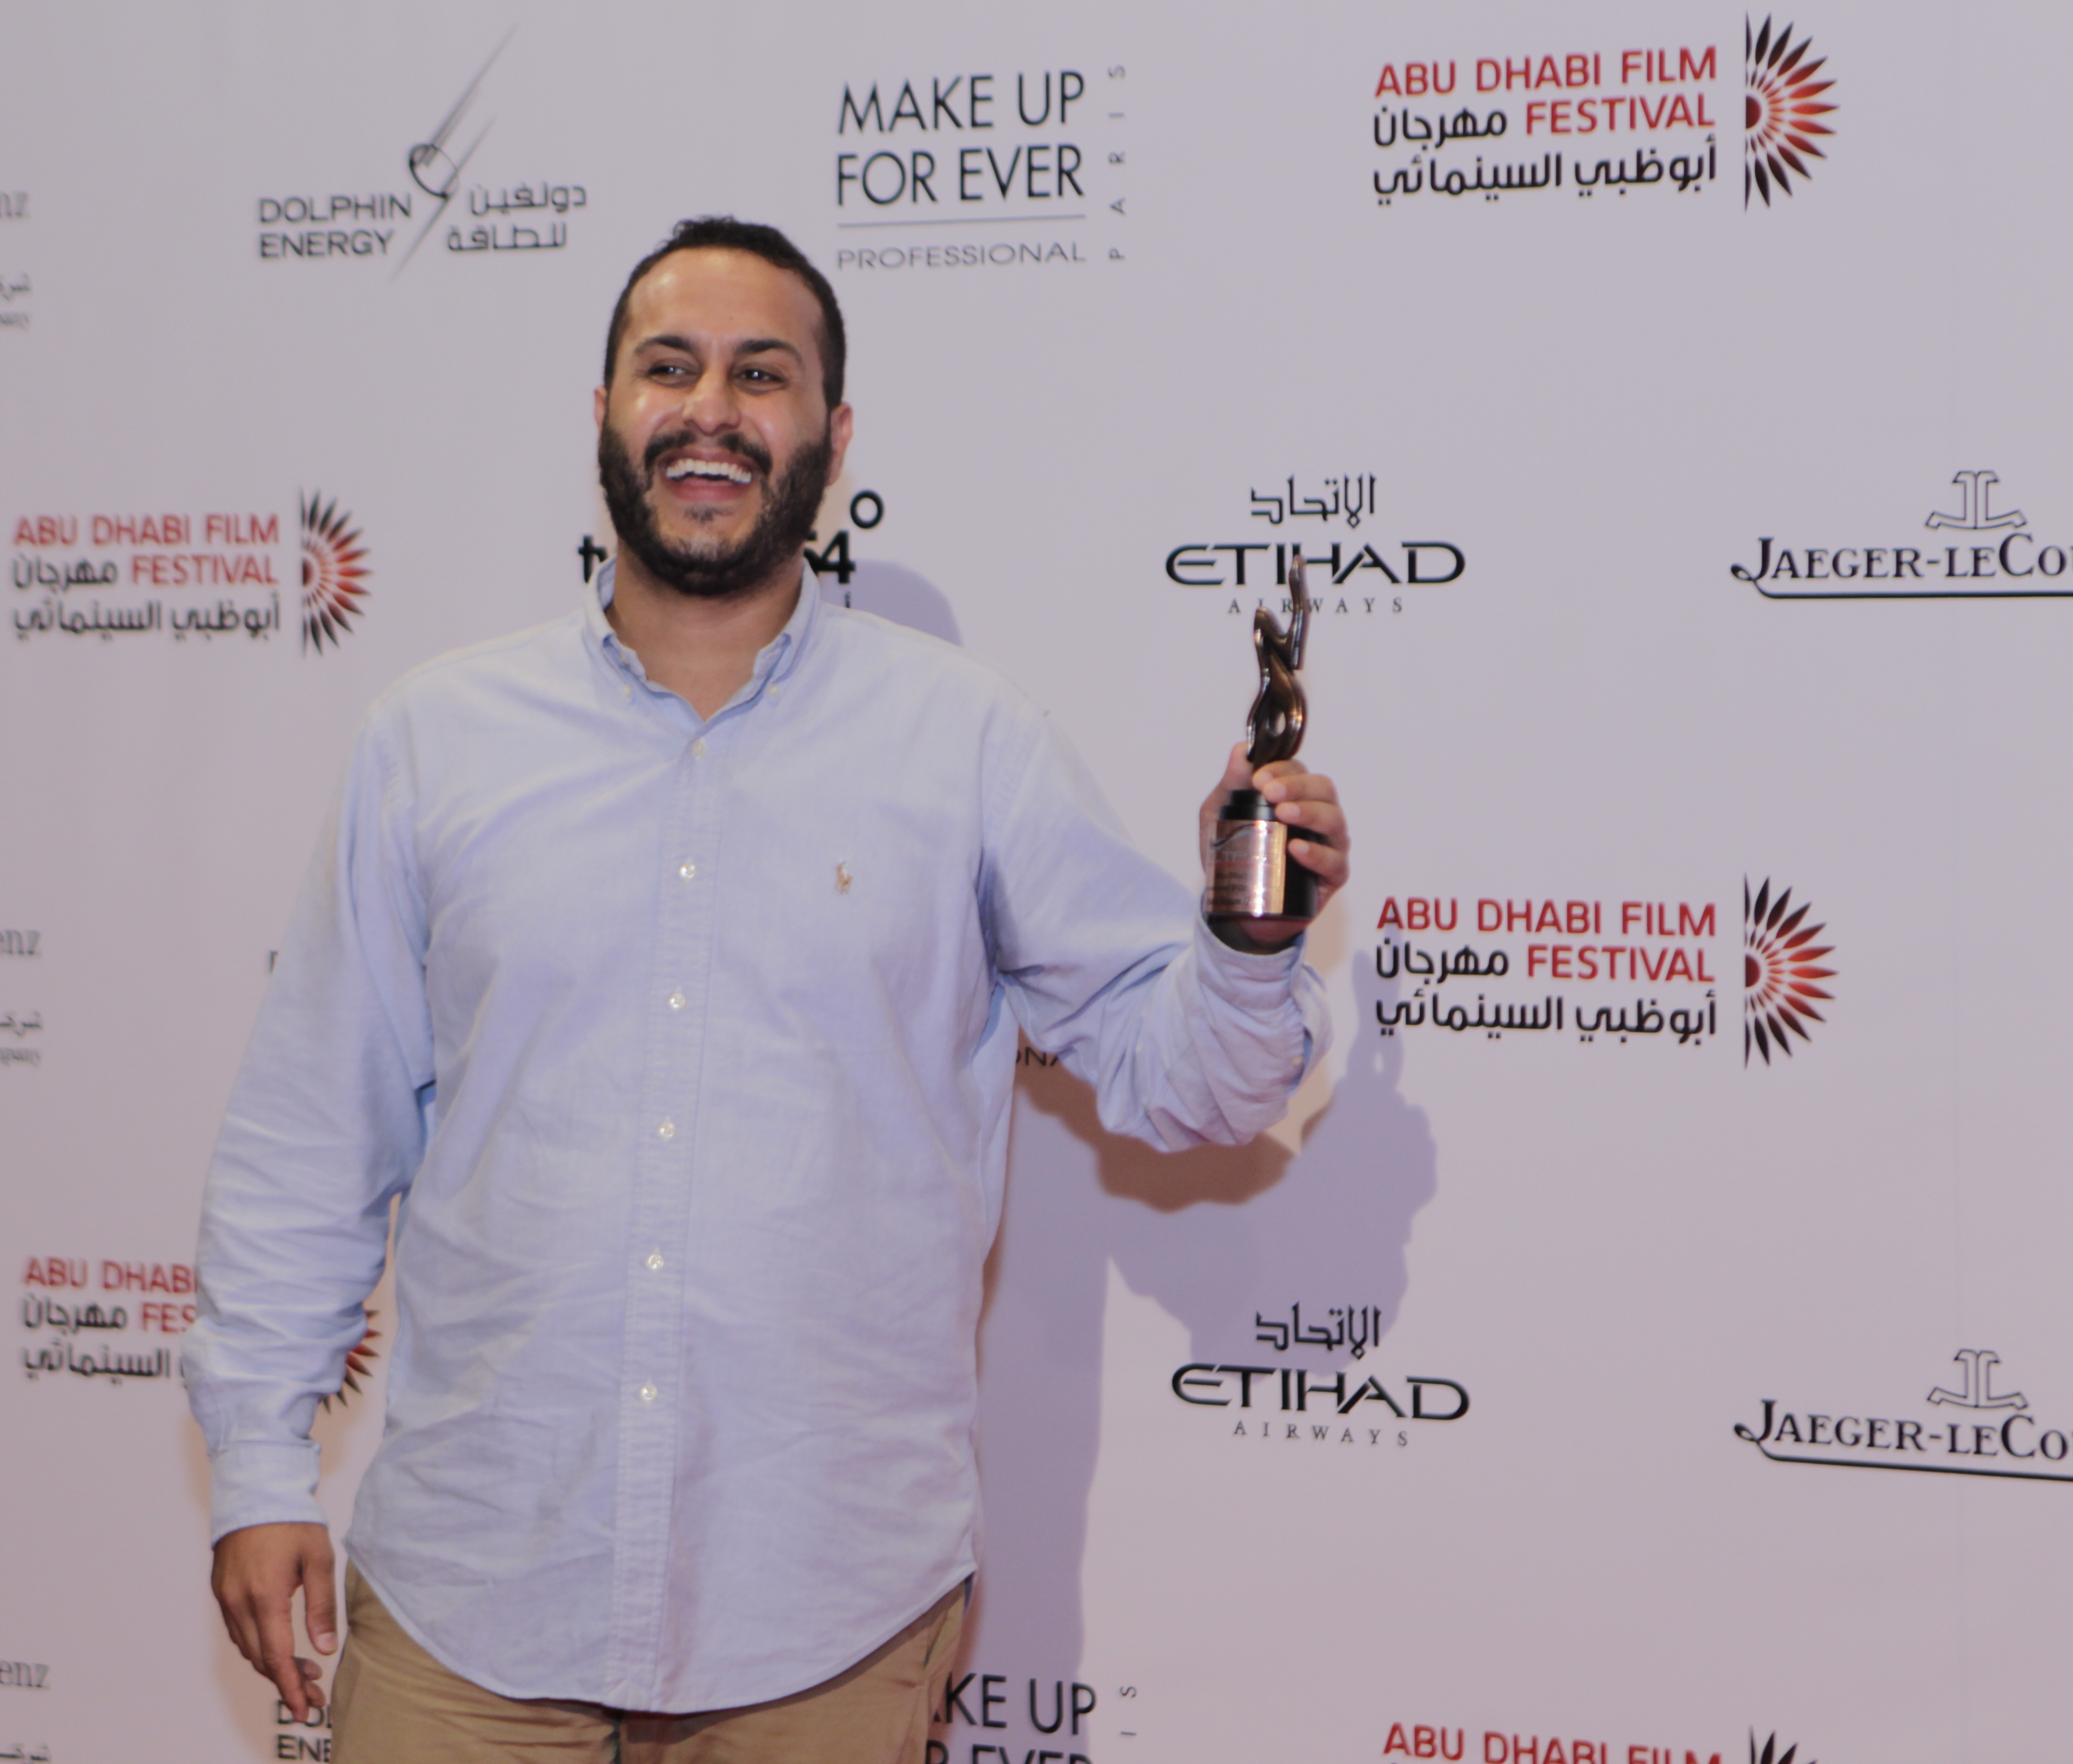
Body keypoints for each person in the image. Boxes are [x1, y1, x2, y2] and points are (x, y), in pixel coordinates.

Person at [183, 216, 1349, 1760]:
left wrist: (1248, 942)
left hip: (828, 1618)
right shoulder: (433, 743)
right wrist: (261, 1469)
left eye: (763, 375)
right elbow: (306, 1142)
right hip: (473, 1600)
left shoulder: (967, 745)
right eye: (668, 369)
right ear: (602, 414)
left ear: (833, 434)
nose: (711, 410)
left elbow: (1186, 1078)